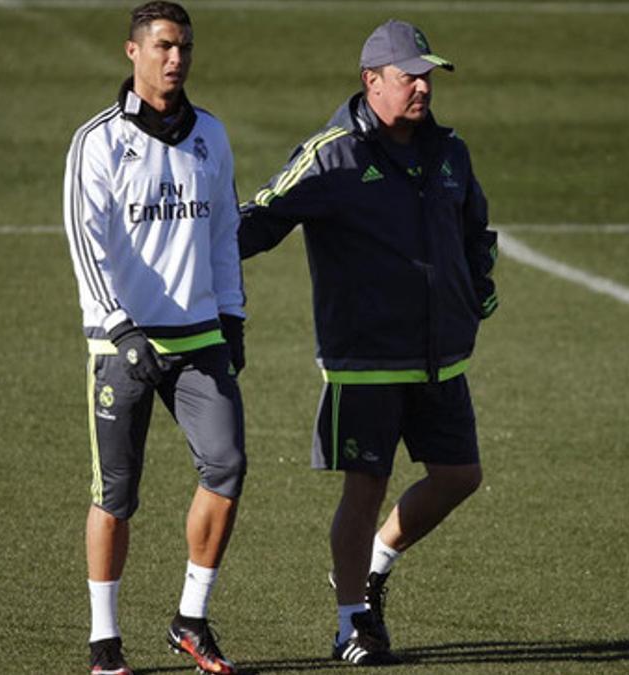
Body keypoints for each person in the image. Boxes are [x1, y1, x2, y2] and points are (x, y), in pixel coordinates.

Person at [238, 18, 498, 667]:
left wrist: (479, 283)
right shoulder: (332, 155)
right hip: (366, 360)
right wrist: (194, 250)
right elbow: (263, 216)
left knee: (460, 475)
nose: (422, 87)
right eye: (409, 76)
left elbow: (475, 227)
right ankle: (350, 622)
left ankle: (375, 566)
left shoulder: (449, 152)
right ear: (371, 81)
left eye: (427, 75)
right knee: (365, 488)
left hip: (441, 355)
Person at [62, 3, 245, 673]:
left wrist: (232, 316)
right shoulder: (98, 142)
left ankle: (190, 619)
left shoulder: (213, 137)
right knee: (116, 492)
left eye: (186, 48)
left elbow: (223, 231)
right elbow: (87, 246)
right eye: (165, 46)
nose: (177, 59)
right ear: (132, 53)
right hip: (121, 344)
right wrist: (119, 326)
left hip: (198, 339)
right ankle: (104, 642)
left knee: (226, 467)